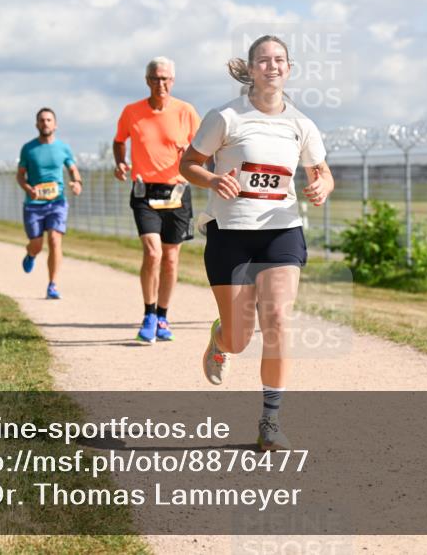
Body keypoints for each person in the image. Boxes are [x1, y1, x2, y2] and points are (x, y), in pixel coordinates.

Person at [179, 35, 334, 451]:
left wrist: (321, 186)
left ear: (289, 68)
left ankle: (270, 420)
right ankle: (220, 339)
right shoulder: (225, 117)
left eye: (279, 60)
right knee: (239, 338)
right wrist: (213, 179)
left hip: (281, 230)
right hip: (230, 234)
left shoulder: (301, 124)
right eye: (263, 60)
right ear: (250, 69)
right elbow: (188, 164)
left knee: (279, 322)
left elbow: (323, 171)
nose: (271, 66)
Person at [114, 57, 201, 344]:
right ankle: (149, 314)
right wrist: (121, 162)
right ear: (147, 80)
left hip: (177, 191)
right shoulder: (132, 111)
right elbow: (119, 140)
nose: (160, 84)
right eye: (155, 78)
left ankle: (163, 315)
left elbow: (203, 148)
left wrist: (189, 151)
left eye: (165, 79)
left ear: (172, 81)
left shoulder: (186, 111)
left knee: (171, 258)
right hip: (144, 191)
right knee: (153, 253)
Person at [17, 108, 82, 299]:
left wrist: (77, 183)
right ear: (37, 124)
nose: (45, 123)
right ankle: (30, 254)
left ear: (55, 124)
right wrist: (28, 188)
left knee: (55, 240)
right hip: (34, 204)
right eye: (42, 120)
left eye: (49, 120)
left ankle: (52, 284)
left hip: (57, 202)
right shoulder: (28, 149)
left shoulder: (63, 147)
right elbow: (20, 176)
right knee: (36, 244)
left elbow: (73, 169)